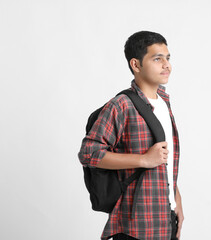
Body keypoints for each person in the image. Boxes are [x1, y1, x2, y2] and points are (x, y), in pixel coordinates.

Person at [78, 30, 184, 240]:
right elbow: (88, 153)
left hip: (166, 218)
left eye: (168, 58)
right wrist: (144, 159)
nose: (167, 65)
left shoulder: (164, 103)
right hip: (136, 225)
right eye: (157, 58)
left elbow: (165, 162)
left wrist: (176, 200)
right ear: (136, 65)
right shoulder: (121, 105)